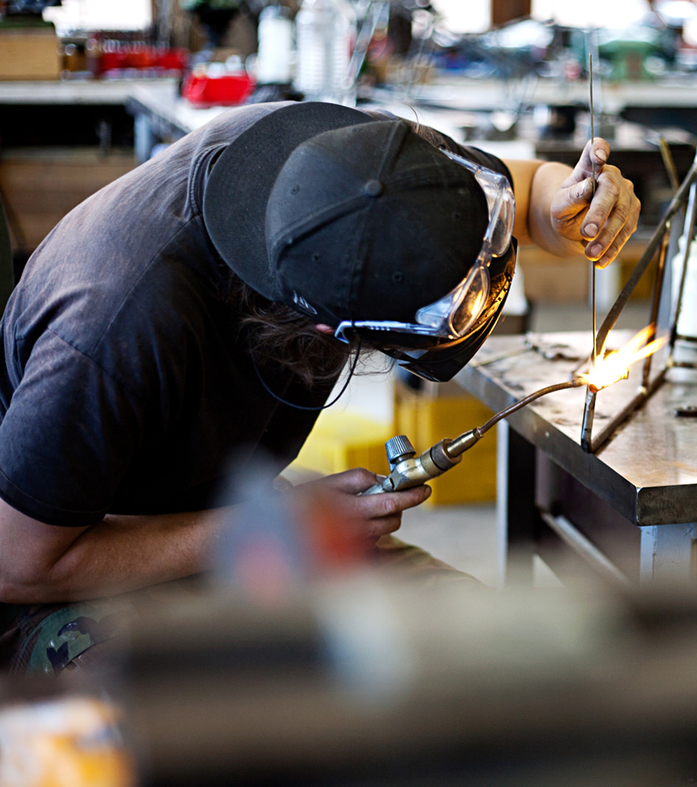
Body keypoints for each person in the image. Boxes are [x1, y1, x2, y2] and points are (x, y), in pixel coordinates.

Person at [0, 101, 640, 673]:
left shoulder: (359, 167)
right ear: (327, 326)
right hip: (72, 565)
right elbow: (20, 565)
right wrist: (281, 525)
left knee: (485, 654)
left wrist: (568, 212)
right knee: (222, 723)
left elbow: (523, 195)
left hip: (217, 512)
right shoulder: (114, 330)